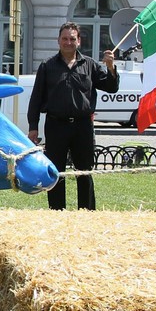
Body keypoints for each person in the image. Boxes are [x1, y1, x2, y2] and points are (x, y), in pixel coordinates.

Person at [26, 22, 119, 211]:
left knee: (84, 172)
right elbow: (36, 98)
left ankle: (86, 213)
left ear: (79, 41)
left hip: (82, 126)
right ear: (58, 41)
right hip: (55, 125)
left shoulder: (90, 65)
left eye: (72, 39)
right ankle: (57, 212)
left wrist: (110, 67)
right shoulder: (47, 66)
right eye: (65, 39)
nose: (68, 42)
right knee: (55, 173)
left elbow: (111, 87)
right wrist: (33, 126)